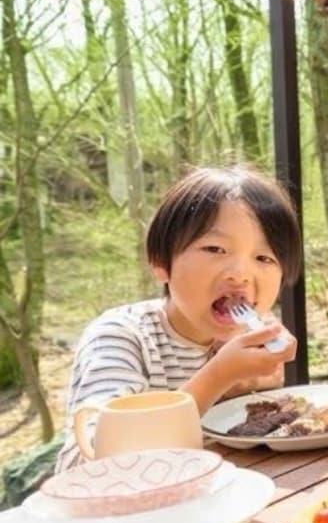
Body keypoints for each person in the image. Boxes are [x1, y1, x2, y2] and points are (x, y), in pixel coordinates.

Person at [56, 166, 302, 471]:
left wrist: (261, 397)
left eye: (264, 258)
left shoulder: (255, 339)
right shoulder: (122, 336)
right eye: (215, 249)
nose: (240, 274)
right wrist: (218, 377)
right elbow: (86, 461)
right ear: (161, 262)